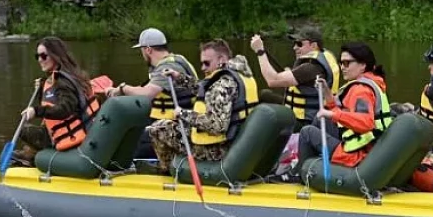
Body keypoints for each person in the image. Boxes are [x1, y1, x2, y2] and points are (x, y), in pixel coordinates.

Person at [148, 39, 258, 174]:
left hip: (217, 150)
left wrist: (183, 114)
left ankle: (171, 172)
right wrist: (179, 77)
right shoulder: (239, 74)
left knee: (158, 129)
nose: (203, 68)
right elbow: (205, 88)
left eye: (207, 63)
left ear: (221, 59)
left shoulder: (221, 85)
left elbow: (217, 125)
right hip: (235, 142)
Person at [296, 42, 392, 172]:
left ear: (363, 65)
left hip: (357, 154)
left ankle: (302, 173)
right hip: (363, 146)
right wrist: (327, 93)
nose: (342, 67)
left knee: (307, 132)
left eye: (347, 63)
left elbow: (366, 123)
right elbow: (344, 111)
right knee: (320, 120)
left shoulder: (361, 90)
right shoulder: (370, 82)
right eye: (341, 63)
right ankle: (313, 162)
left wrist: (334, 115)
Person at [105, 28, 198, 158]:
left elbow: (147, 93)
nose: (142, 54)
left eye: (141, 50)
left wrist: (123, 88)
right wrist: (117, 91)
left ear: (148, 50)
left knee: (133, 144)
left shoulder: (167, 68)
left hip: (177, 127)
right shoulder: (175, 60)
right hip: (169, 123)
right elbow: (145, 87)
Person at [14, 37, 100, 165]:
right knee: (36, 129)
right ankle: (30, 153)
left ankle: (33, 157)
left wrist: (36, 111)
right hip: (82, 130)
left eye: (44, 56)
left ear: (56, 55)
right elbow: (55, 101)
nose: (39, 60)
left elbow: (65, 109)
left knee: (21, 128)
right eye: (37, 56)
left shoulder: (62, 82)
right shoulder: (75, 75)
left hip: (71, 137)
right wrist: (42, 87)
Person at [250, 26, 340, 129]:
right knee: (265, 95)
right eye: (294, 44)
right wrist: (290, 73)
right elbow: (306, 82)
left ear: (314, 45)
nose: (295, 48)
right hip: (307, 112)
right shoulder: (323, 56)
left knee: (266, 113)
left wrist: (260, 51)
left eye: (299, 44)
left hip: (307, 121)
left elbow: (272, 80)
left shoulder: (311, 67)